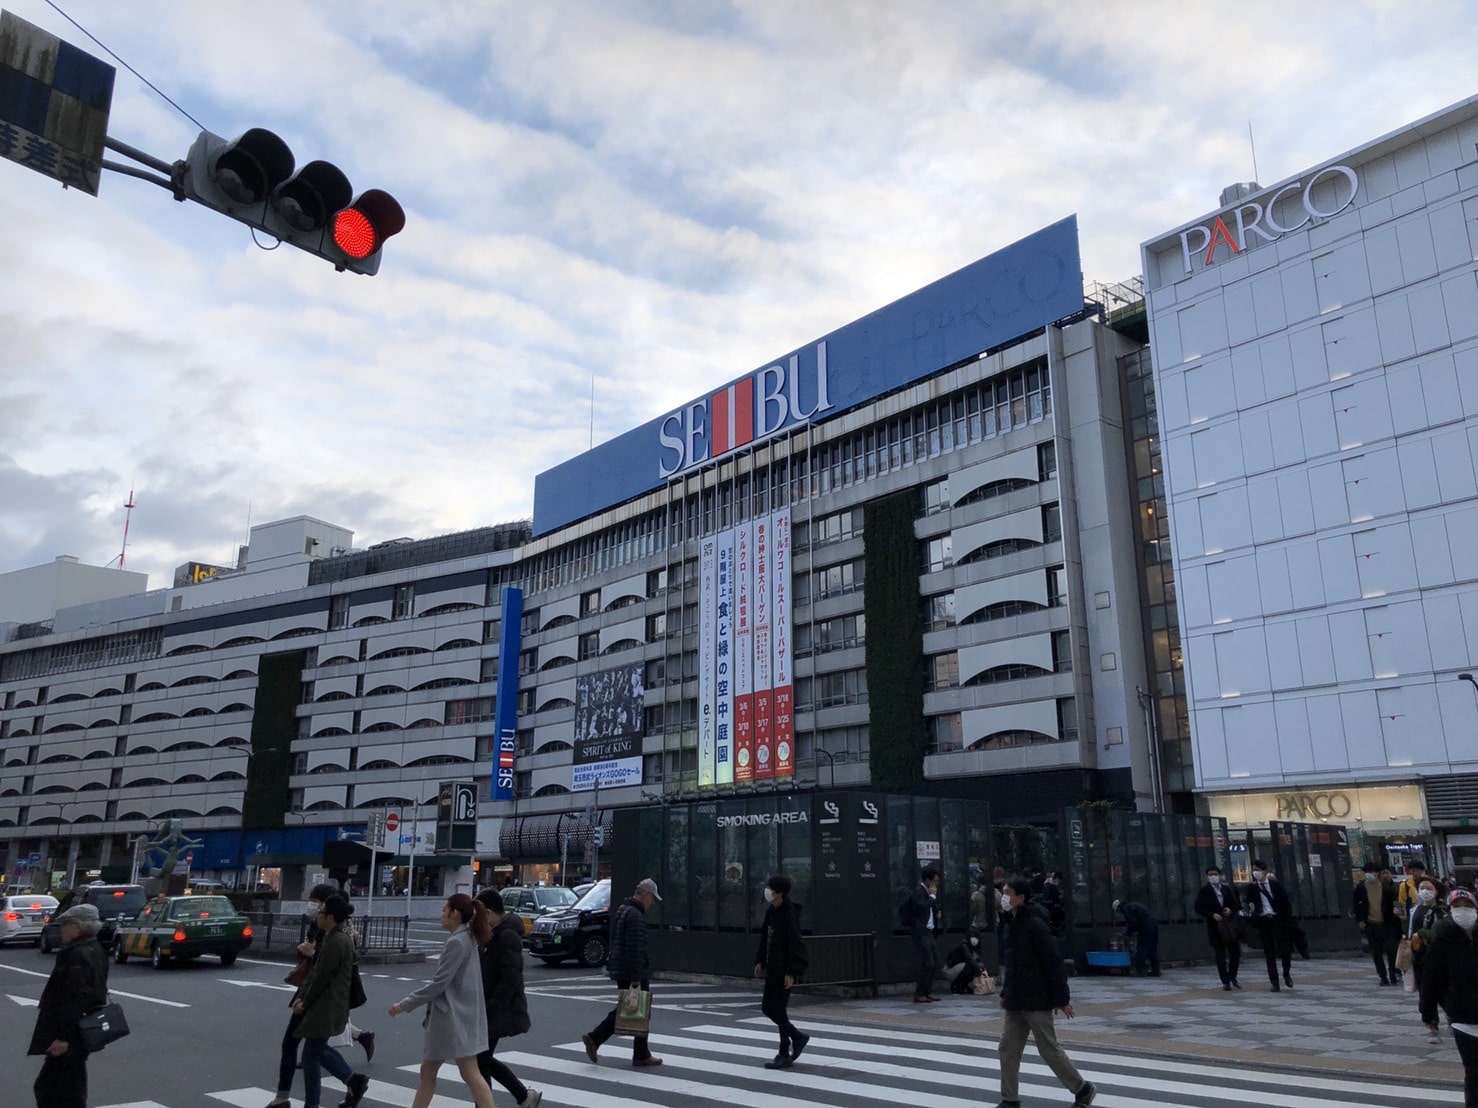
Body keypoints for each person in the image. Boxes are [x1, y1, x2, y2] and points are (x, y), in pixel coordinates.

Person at [269, 885, 374, 1108]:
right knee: (312, 1051)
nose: (315, 909)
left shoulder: (335, 939)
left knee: (305, 1050)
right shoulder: (336, 934)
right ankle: (351, 1082)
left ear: (330, 913)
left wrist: (304, 1000)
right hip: (322, 1000)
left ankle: (296, 1100)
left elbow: (321, 974)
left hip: (323, 1003)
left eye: (318, 905)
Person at [388, 893, 497, 1108]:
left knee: (439, 1074)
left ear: (455, 913)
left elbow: (439, 984)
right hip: (459, 1016)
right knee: (460, 1073)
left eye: (444, 909)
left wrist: (404, 1005)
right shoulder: (467, 937)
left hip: (450, 1019)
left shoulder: (458, 941)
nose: (441, 914)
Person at [994, 878, 1096, 1108]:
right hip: (1016, 1000)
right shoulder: (1014, 924)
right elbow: (1013, 964)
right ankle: (1009, 1099)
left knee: (1048, 1049)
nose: (1004, 896)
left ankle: (1082, 1088)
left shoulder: (1035, 925)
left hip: (1037, 999)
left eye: (1008, 892)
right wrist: (1005, 992)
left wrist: (1062, 999)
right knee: (1007, 1048)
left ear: (1021, 898)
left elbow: (1054, 963)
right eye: (1004, 892)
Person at [28, 902, 108, 1108]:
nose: (62, 929)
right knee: (66, 1088)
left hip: (70, 1036)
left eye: (66, 924)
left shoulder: (77, 954)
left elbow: (74, 998)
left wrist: (64, 1038)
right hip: (82, 1032)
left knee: (54, 1090)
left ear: (77, 927)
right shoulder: (95, 949)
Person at [582, 877, 663, 1068]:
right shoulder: (635, 915)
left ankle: (638, 1051)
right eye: (652, 898)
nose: (652, 903)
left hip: (620, 967)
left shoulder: (623, 909)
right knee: (637, 1008)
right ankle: (599, 1039)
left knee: (631, 1008)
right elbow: (635, 947)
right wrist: (637, 976)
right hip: (632, 969)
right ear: (645, 894)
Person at [473, 889, 541, 1108]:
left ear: (490, 912)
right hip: (491, 1006)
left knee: (480, 1060)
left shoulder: (507, 935)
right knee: (481, 1060)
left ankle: (519, 1097)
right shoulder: (496, 933)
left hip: (497, 1008)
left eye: (480, 914)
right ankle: (523, 1096)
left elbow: (511, 976)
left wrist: (493, 1005)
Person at [1420, 888, 1478, 1105]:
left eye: (1468, 906)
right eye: (1458, 906)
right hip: (1463, 1019)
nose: (1464, 910)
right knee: (1474, 1073)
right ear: (1450, 910)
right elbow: (1431, 979)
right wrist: (1428, 1013)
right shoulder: (1442, 940)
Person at [753, 873, 810, 1069]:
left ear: (779, 893)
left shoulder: (788, 914)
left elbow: (795, 944)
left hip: (784, 969)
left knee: (776, 1008)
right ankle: (794, 1040)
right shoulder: (772, 911)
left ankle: (787, 1048)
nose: (767, 891)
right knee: (770, 1008)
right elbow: (765, 937)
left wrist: (792, 972)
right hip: (773, 966)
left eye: (770, 888)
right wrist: (760, 960)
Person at [1246, 859, 1295, 991]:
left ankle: (1286, 974)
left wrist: (1286, 919)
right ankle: (1274, 982)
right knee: (1269, 953)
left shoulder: (1275, 885)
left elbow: (1286, 902)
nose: (1255, 872)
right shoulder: (1252, 887)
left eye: (1258, 870)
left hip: (1277, 920)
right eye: (1254, 870)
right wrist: (1251, 907)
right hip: (1264, 921)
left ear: (1264, 871)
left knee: (1285, 950)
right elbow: (1249, 901)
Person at [1193, 865, 1241, 990]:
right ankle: (1225, 981)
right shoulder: (1205, 891)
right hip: (1215, 927)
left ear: (1219, 875)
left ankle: (1232, 976)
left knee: (1235, 953)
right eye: (1210, 874)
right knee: (1220, 955)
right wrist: (1211, 914)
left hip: (1228, 926)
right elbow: (1198, 907)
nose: (1213, 877)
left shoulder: (1225, 889)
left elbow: (1235, 905)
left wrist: (1230, 910)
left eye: (1215, 874)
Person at [1355, 861, 1400, 986]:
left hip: (1386, 923)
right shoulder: (1361, 887)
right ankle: (1383, 976)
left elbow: (1393, 904)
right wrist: (1360, 920)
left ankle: (1393, 974)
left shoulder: (1385, 888)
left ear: (1378, 873)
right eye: (1368, 872)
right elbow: (1356, 905)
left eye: (1373, 872)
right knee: (1376, 952)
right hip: (1371, 924)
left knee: (1391, 950)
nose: (1371, 874)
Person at [906, 865, 943, 1003]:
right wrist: (932, 896)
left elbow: (929, 908)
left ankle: (927, 991)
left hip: (930, 931)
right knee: (928, 962)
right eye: (934, 882)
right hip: (921, 932)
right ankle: (920, 993)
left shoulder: (927, 894)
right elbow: (921, 907)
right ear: (927, 880)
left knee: (935, 962)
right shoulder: (919, 892)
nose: (936, 885)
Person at [1410, 876, 1448, 994]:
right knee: (1424, 995)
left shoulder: (1441, 910)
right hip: (1418, 956)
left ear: (1436, 891)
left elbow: (1442, 932)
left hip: (1436, 956)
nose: (1425, 891)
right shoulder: (1416, 909)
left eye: (1429, 888)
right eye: (1421, 888)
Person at [1113, 899, 1160, 977]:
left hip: (1146, 928)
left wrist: (1127, 933)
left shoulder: (1126, 909)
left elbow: (1133, 923)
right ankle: (1155, 971)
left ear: (1118, 908)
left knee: (1141, 948)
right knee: (1152, 948)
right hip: (1154, 925)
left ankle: (1141, 971)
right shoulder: (1133, 905)